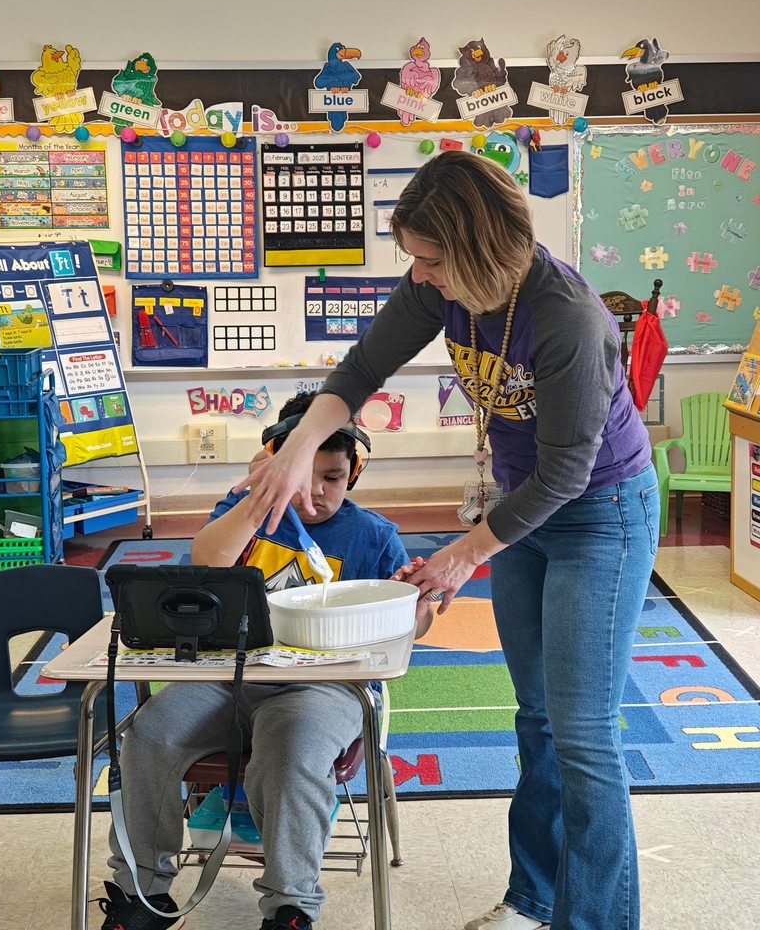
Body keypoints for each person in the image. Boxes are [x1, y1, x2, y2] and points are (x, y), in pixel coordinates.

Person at [239, 152, 660, 930]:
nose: (422, 276)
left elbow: (568, 470)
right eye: (416, 260)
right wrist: (297, 446)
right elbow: (361, 371)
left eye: (431, 260)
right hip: (522, 511)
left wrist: (465, 550)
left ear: (480, 247)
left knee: (584, 733)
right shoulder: (446, 289)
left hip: (600, 514)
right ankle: (534, 901)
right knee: (535, 716)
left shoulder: (567, 318)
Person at [96, 390, 433, 930]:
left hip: (326, 688)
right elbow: (207, 561)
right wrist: (260, 495)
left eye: (333, 477)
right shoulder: (242, 511)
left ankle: (290, 907)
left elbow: (411, 628)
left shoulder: (372, 535)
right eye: (303, 472)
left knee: (292, 746)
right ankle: (144, 892)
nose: (316, 492)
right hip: (231, 678)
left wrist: (414, 605)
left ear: (355, 473)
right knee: (151, 733)